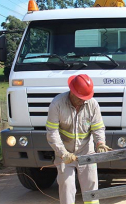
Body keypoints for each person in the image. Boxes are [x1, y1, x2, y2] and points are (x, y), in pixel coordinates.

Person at [46, 74, 112, 204]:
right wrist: (63, 153)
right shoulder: (57, 104)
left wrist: (100, 143)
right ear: (72, 92)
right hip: (65, 153)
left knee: (91, 189)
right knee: (66, 187)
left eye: (86, 98)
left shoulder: (92, 104)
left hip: (87, 152)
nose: (83, 101)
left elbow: (98, 128)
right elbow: (52, 132)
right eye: (81, 98)